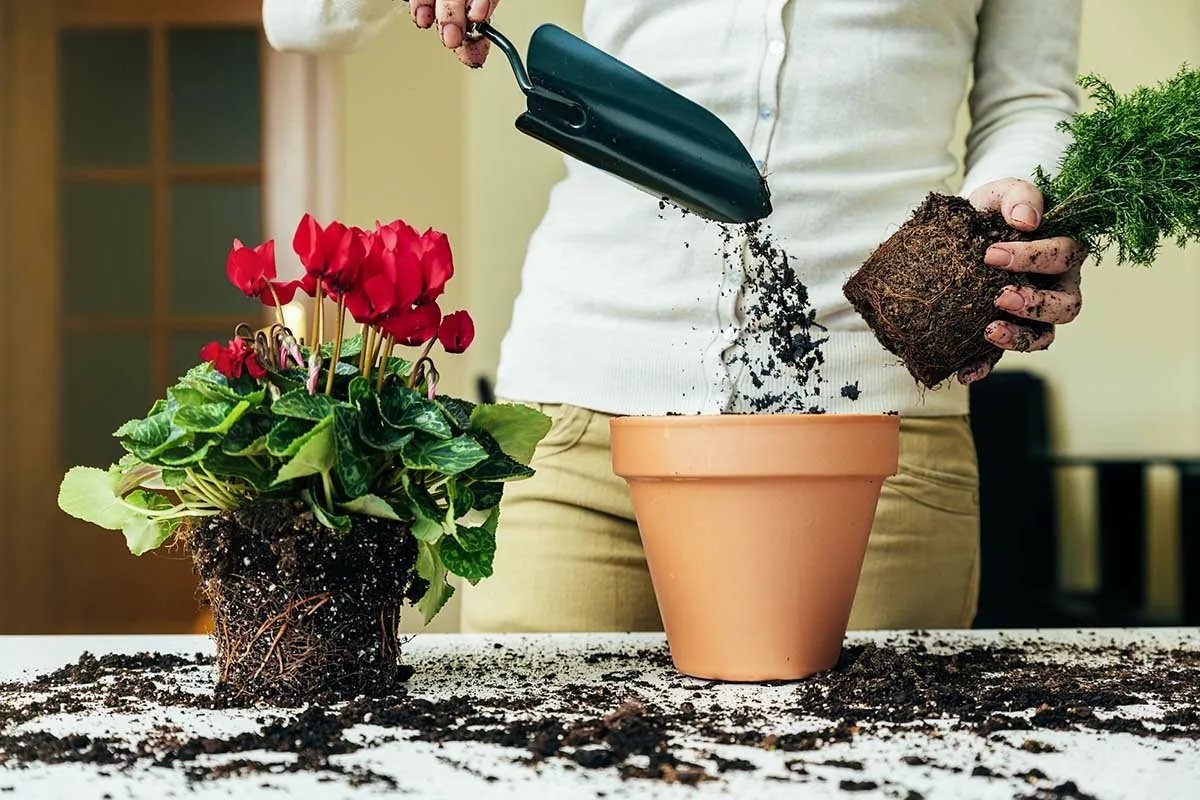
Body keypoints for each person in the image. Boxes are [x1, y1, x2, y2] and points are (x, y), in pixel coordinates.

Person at [263, 0, 1086, 632]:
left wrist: (1014, 201)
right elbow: (299, 19)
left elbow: (1030, 97)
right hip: (583, 432)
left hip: (873, 433)